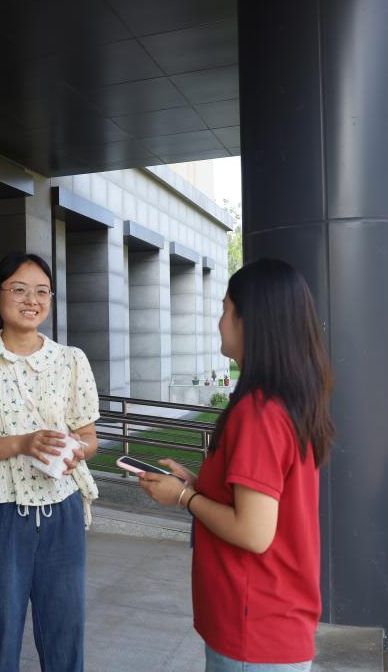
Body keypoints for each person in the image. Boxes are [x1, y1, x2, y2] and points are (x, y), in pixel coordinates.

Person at [138, 258, 334, 671]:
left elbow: (253, 532)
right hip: (271, 621)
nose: (220, 322)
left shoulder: (259, 413)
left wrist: (184, 497)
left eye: (226, 310)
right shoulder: (288, 402)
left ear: (252, 322)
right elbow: (259, 500)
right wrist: (196, 483)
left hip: (254, 629)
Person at [0, 252, 101, 672]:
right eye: (19, 289)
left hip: (61, 513)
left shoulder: (71, 360)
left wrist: (75, 451)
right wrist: (23, 444)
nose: (32, 300)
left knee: (65, 637)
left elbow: (88, 437)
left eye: (42, 291)